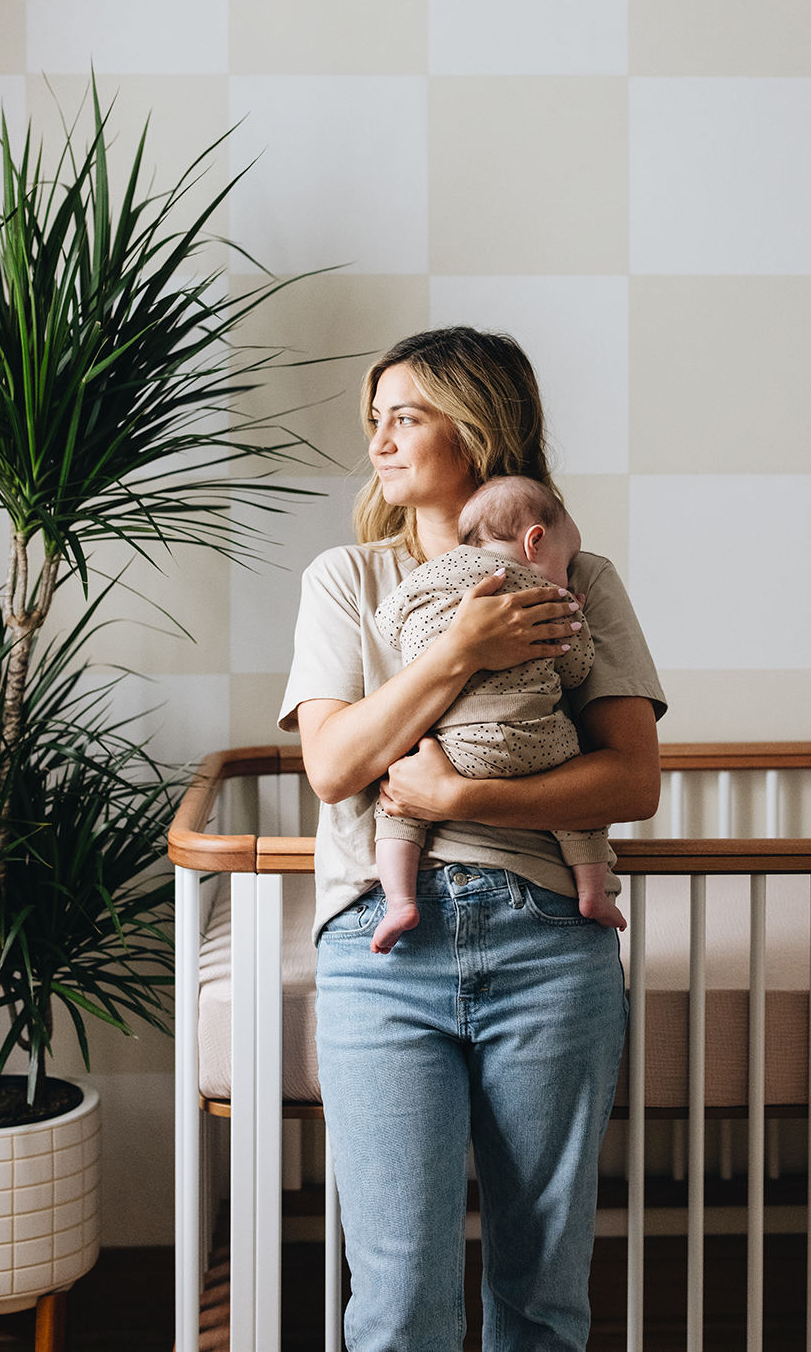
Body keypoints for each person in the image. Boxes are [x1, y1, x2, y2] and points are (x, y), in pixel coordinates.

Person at [279, 326, 665, 1352]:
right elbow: (336, 764)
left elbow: (632, 777)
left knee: (541, 1297)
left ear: (478, 424)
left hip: (547, 937)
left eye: (405, 415)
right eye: (376, 419)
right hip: (382, 947)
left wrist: (463, 794)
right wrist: (461, 646)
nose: (381, 440)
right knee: (399, 1302)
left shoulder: (578, 573)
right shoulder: (346, 581)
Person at [370, 474, 626, 954]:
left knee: (397, 808)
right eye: (567, 562)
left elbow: (387, 624)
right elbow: (574, 671)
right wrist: (574, 615)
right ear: (535, 542)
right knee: (577, 801)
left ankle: (400, 900)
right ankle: (593, 891)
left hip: (451, 749)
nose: (568, 573)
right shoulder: (547, 594)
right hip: (540, 742)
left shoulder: (431, 572)